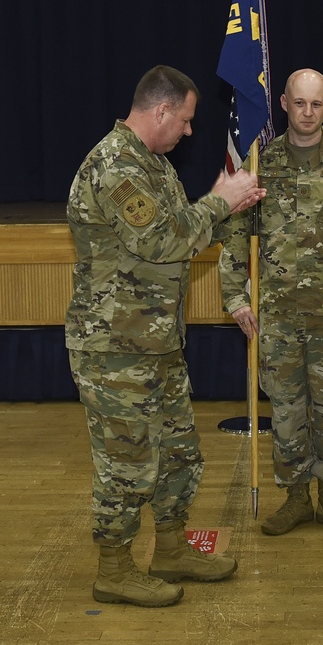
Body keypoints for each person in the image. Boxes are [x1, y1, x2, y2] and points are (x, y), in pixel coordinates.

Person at [66, 65, 266, 608]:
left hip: (155, 344)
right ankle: (113, 568)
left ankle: (172, 548)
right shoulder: (115, 165)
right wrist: (221, 201)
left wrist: (236, 210)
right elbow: (160, 240)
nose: (189, 130)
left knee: (178, 453)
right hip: (114, 349)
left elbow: (185, 232)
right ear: (160, 111)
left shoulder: (153, 166)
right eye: (185, 119)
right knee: (126, 464)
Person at [218, 69, 323, 539]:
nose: (307, 112)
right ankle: (296, 498)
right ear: (283, 103)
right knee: (285, 411)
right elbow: (234, 234)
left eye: (315, 104)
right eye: (298, 103)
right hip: (278, 316)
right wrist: (236, 297)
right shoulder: (259, 162)